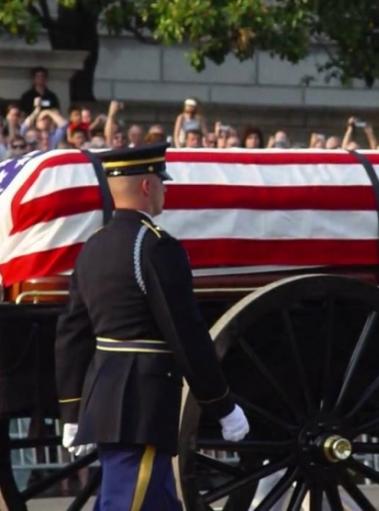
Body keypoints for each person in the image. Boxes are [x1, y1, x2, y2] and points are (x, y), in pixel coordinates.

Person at [56, 143, 249, 510]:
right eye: (161, 181)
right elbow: (186, 334)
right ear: (147, 186)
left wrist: (72, 410)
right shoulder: (156, 247)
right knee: (127, 501)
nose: (165, 189)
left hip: (105, 396)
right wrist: (220, 403)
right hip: (141, 403)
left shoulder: (92, 247)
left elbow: (72, 334)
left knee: (155, 500)